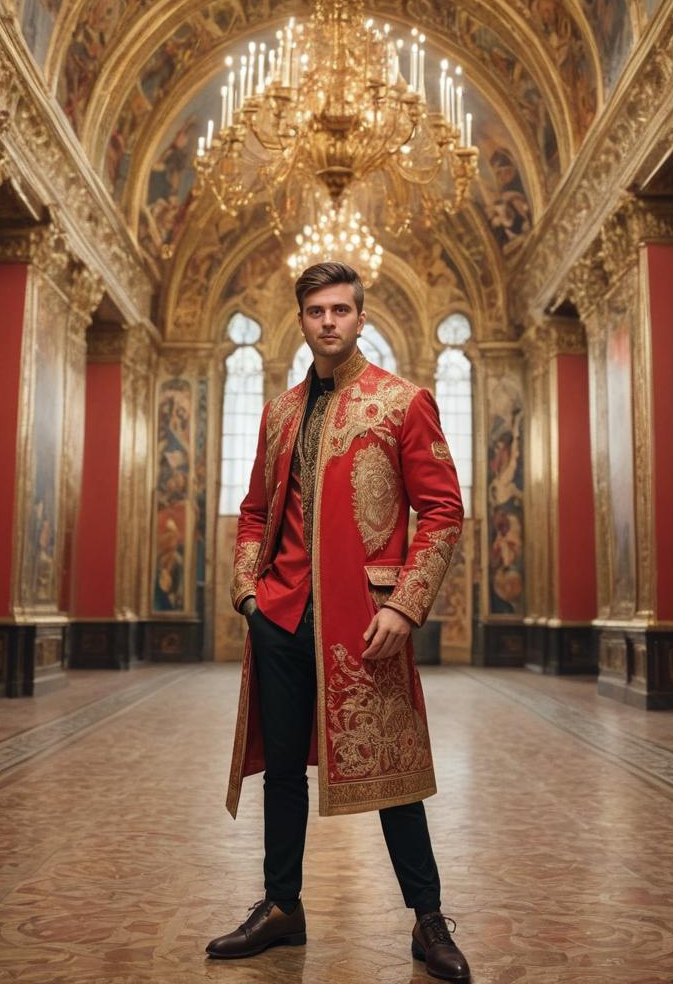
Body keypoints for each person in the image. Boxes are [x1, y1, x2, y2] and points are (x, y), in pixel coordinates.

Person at [205, 261, 470, 982]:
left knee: (395, 773)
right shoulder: (280, 412)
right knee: (283, 770)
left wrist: (405, 604)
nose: (329, 321)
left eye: (342, 310)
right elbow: (256, 511)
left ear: (360, 317)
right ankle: (281, 906)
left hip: (366, 622)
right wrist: (248, 597)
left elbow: (444, 512)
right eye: (317, 310)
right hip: (282, 616)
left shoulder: (401, 402)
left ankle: (428, 919)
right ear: (302, 319)